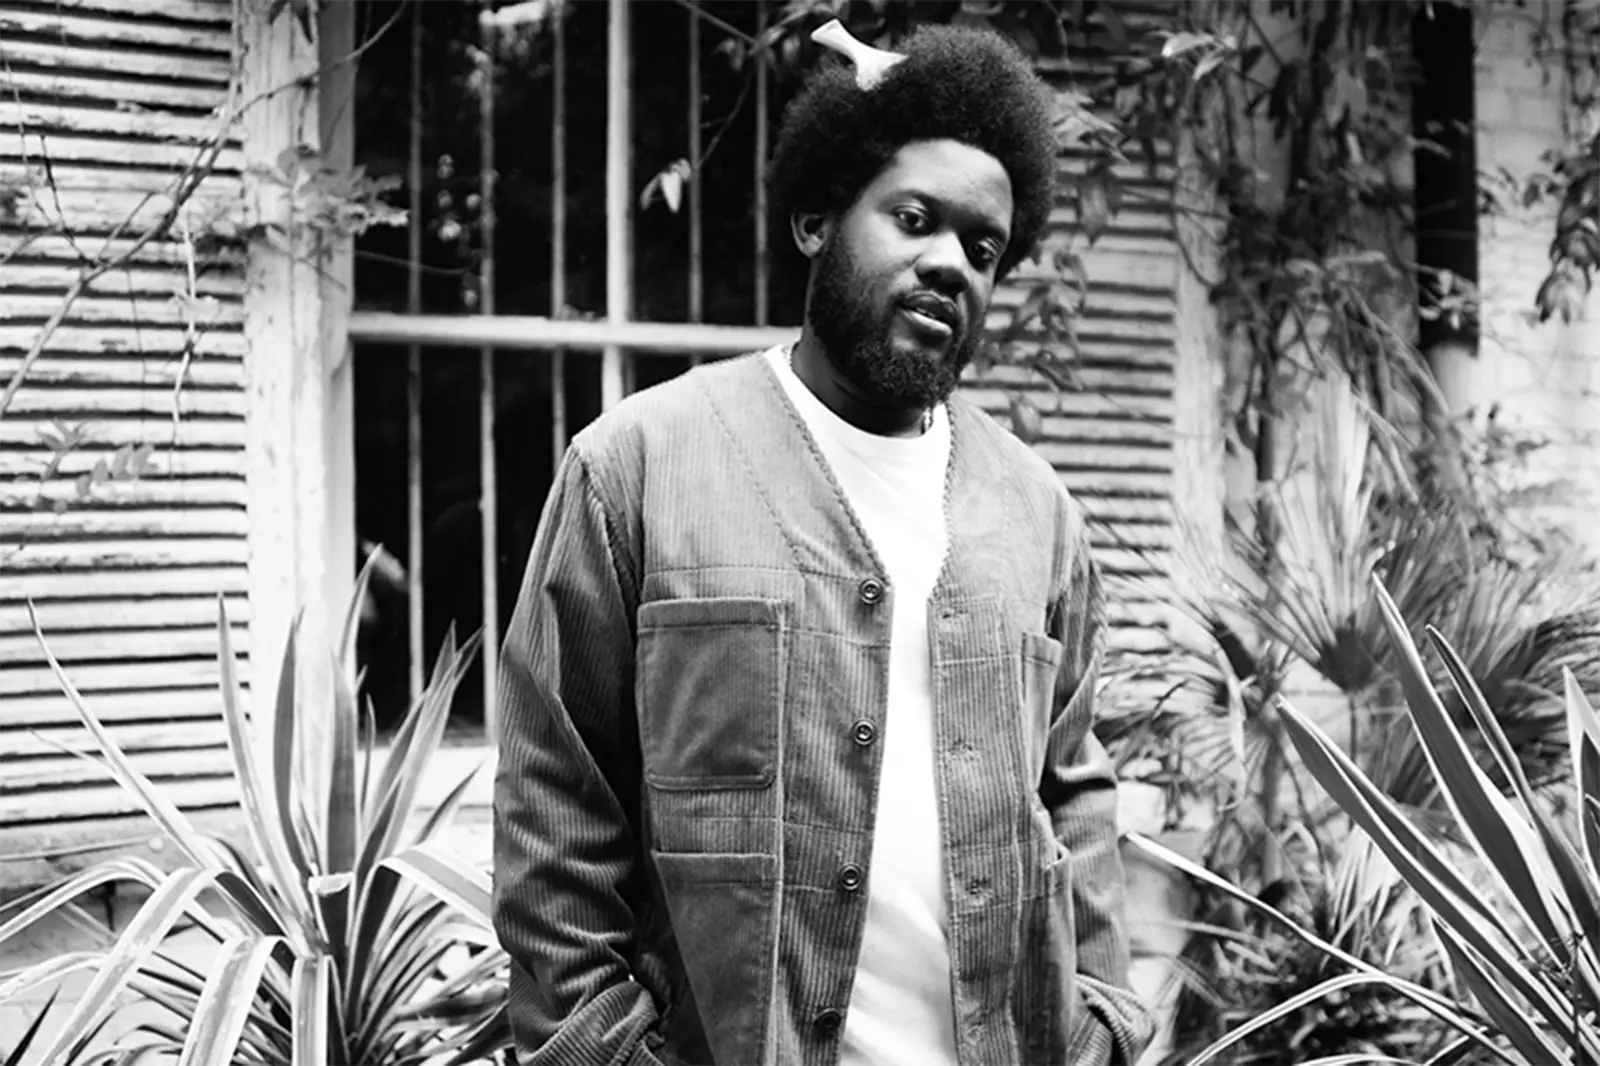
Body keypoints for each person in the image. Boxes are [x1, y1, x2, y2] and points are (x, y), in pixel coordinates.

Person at [493, 19, 1154, 1066]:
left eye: (983, 249)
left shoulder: (1037, 514)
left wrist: (1101, 1019)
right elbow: (554, 806)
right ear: (816, 220)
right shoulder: (638, 468)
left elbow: (1071, 789)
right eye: (914, 219)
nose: (950, 263)